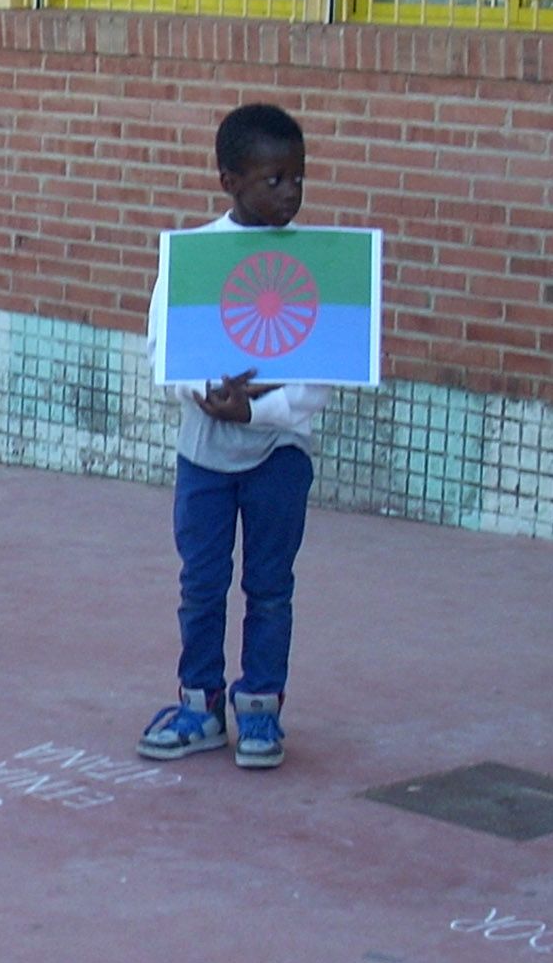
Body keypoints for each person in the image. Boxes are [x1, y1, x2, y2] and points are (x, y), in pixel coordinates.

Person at [138, 104, 326, 772]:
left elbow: (319, 379)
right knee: (202, 583)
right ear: (229, 180)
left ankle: (260, 710)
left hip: (279, 456)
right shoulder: (194, 256)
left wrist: (260, 412)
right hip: (204, 457)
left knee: (271, 585)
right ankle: (199, 703)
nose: (290, 193)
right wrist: (207, 398)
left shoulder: (316, 263)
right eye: (273, 179)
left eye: (297, 178)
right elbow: (167, 348)